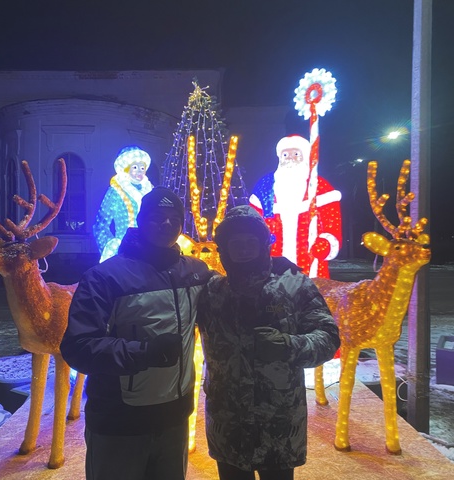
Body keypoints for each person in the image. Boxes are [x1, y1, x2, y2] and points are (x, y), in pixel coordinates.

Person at [60, 186, 212, 480]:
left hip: (174, 419)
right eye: (157, 217)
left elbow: (232, 297)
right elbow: (78, 346)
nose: (166, 224)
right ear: (141, 221)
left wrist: (269, 268)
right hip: (119, 423)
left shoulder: (195, 273)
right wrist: (144, 352)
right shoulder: (104, 277)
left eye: (174, 219)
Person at [196, 205, 340, 480]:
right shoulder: (212, 292)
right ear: (224, 249)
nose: (243, 249)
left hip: (278, 425)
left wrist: (289, 346)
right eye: (236, 243)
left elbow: (328, 337)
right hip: (229, 425)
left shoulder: (294, 285)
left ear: (263, 245)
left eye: (250, 242)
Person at [249, 135, 342, 278]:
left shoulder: (319, 187)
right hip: (273, 257)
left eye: (296, 154)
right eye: (285, 154)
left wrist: (326, 242)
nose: (290, 158)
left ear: (304, 156)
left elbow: (332, 220)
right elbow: (253, 220)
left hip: (309, 257)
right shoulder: (265, 187)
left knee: (311, 287)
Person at [93, 145, 154, 262]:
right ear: (126, 169)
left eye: (142, 168)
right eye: (135, 167)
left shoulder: (151, 191)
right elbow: (100, 225)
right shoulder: (116, 191)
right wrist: (111, 246)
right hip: (125, 252)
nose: (139, 171)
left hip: (149, 251)